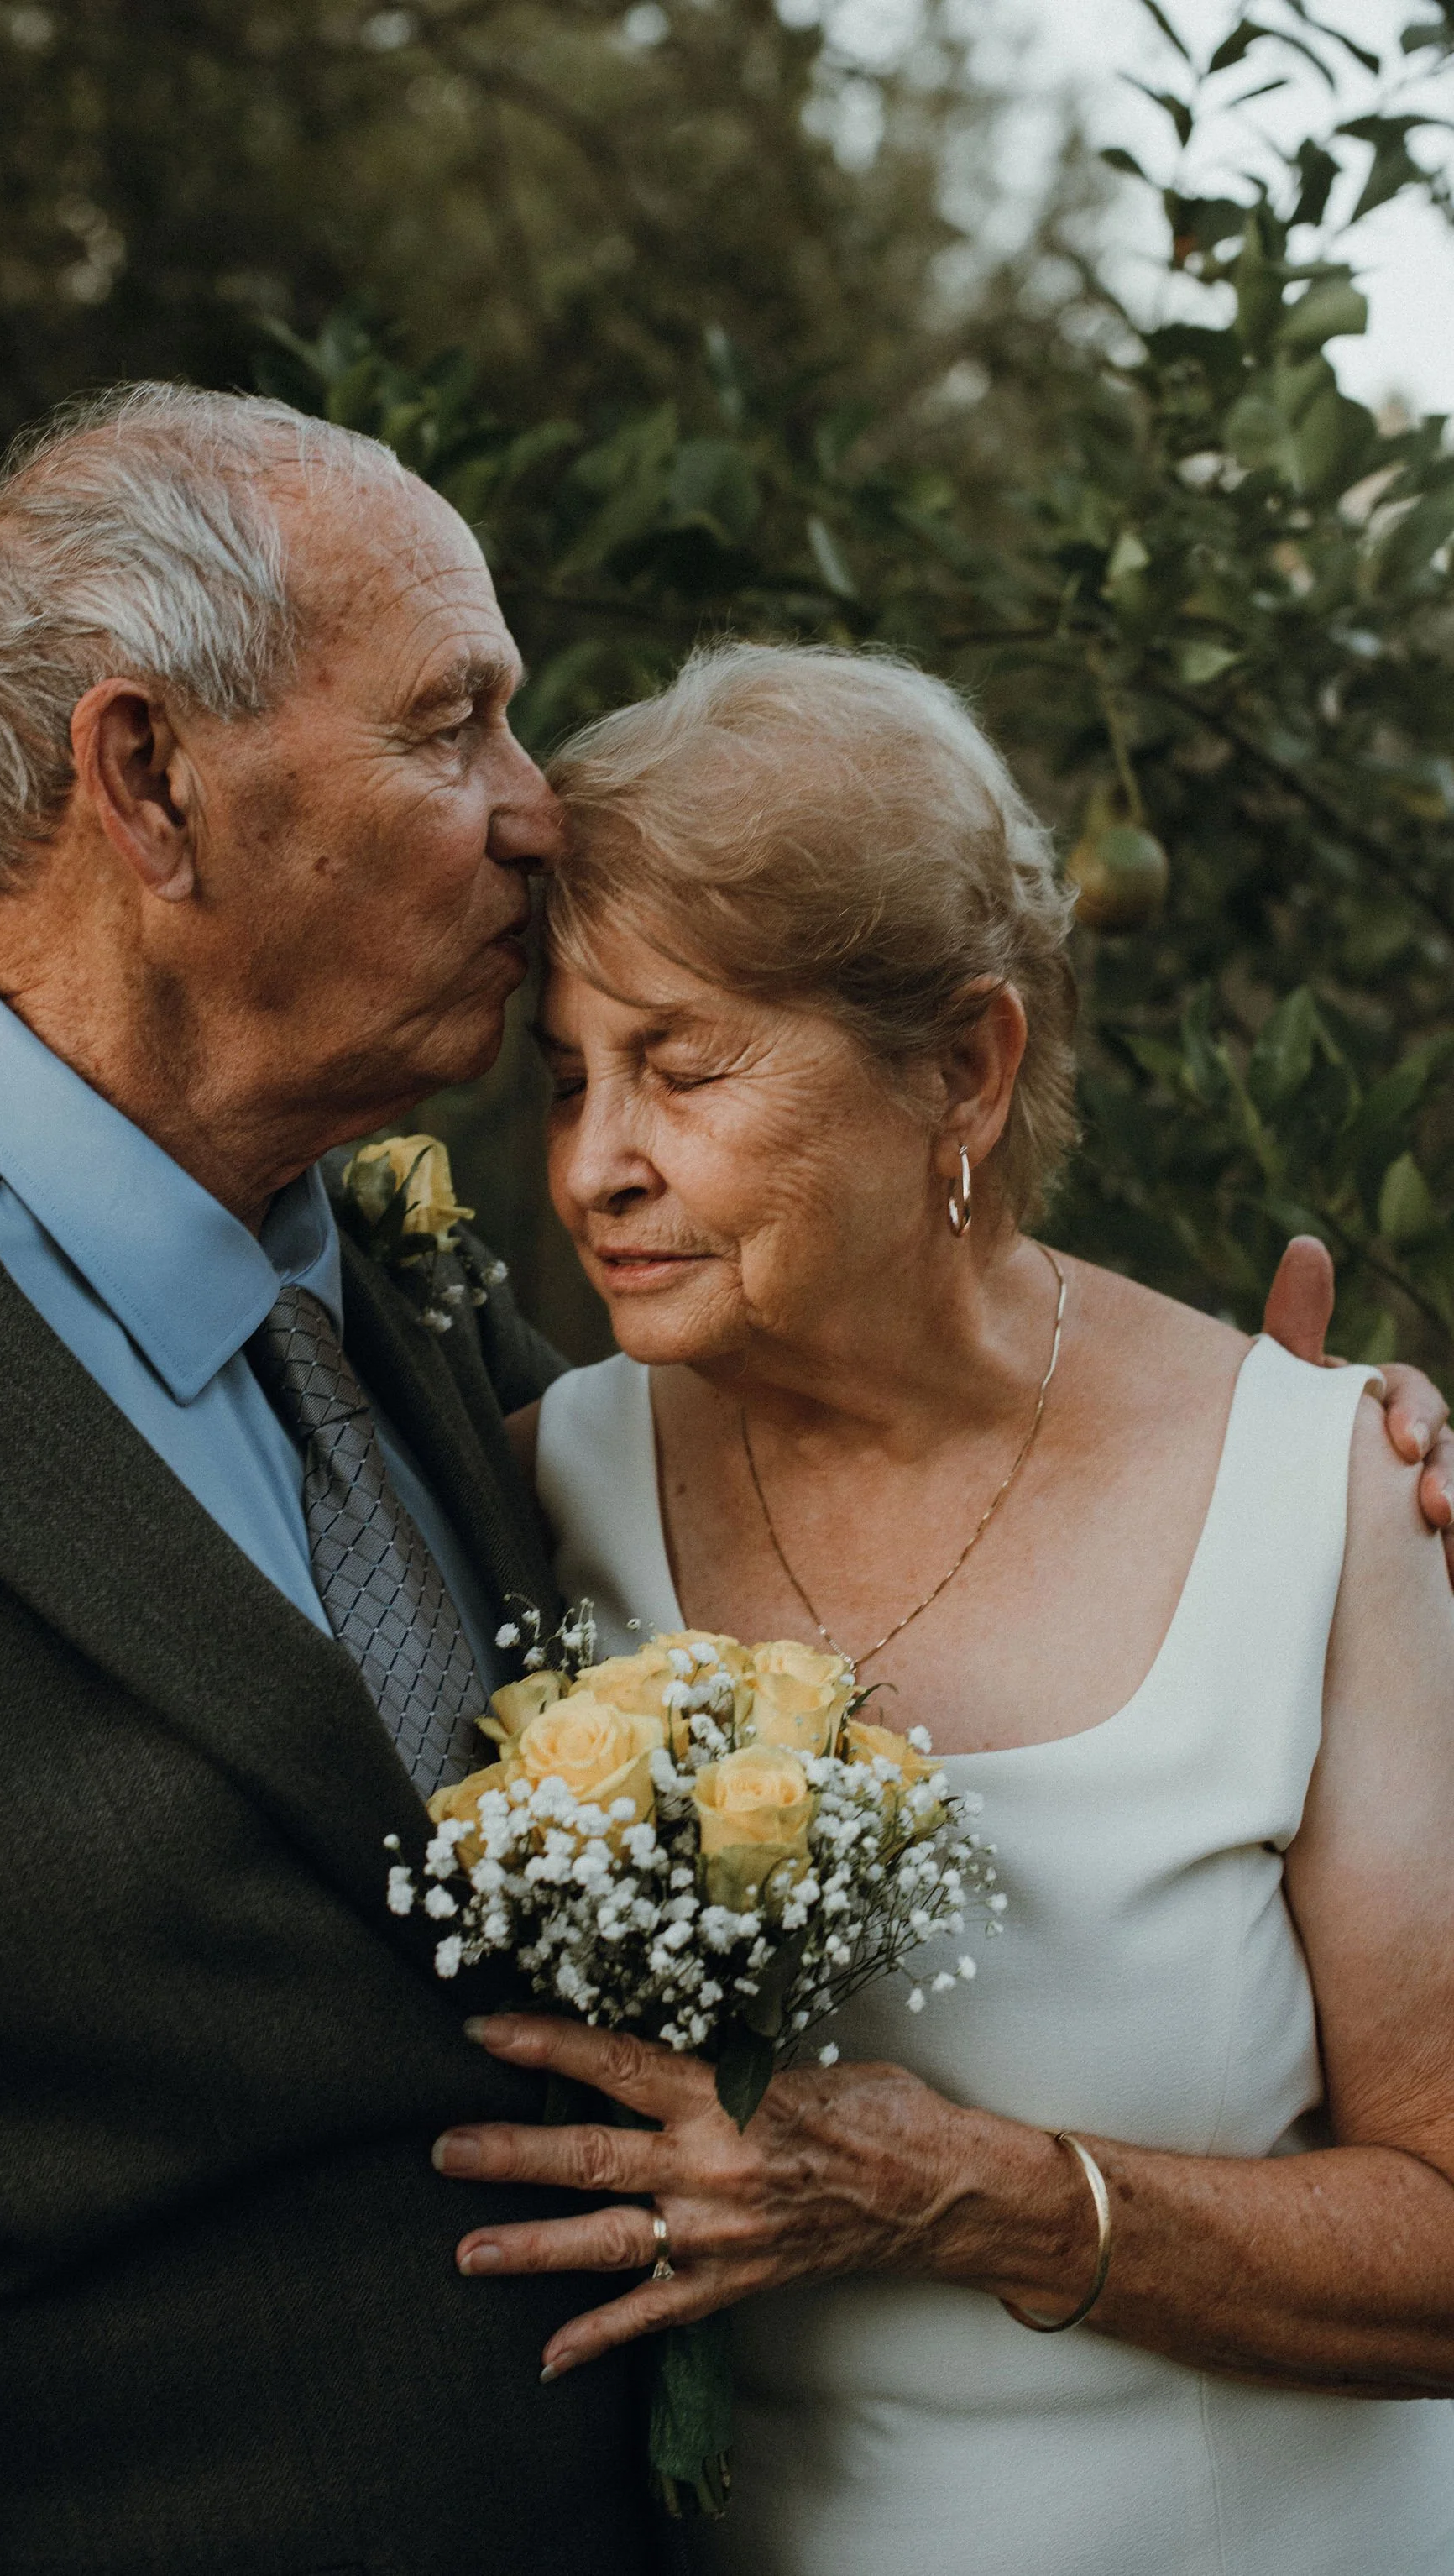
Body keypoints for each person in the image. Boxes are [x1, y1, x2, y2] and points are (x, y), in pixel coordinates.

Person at [0, 386, 658, 2574]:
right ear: (149, 781)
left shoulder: (440, 1303)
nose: (546, 818)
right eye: (458, 729)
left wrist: (1262, 1473)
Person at [428, 642, 1454, 2576]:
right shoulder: (531, 1489)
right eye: (568, 1077)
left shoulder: (1324, 1492)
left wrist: (991, 2201)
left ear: (963, 1067)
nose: (588, 1167)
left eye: (684, 1066)